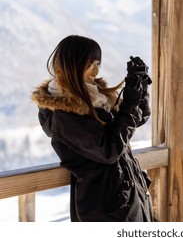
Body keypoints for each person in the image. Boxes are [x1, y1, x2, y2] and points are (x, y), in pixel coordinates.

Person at [32, 35, 154, 222]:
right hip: (105, 209)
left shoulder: (97, 99)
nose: (96, 70)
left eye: (98, 63)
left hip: (127, 198)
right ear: (72, 64)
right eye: (90, 63)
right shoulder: (65, 116)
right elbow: (109, 150)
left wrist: (140, 85)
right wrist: (129, 101)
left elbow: (137, 118)